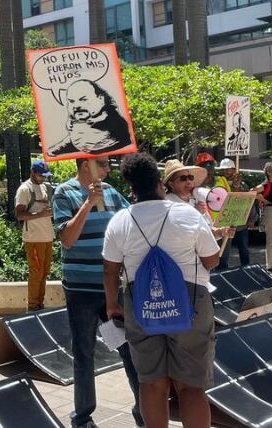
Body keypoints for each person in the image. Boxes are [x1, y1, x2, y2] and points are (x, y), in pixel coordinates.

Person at [104, 153, 220, 428]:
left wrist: (113, 305)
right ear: (160, 183)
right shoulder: (187, 214)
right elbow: (211, 260)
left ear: (131, 189)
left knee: (151, 383)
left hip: (141, 306)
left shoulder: (120, 221)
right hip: (191, 303)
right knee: (191, 386)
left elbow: (110, 269)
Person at [52, 157, 143, 427]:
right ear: (85, 166)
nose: (108, 169)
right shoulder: (63, 192)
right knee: (84, 352)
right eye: (103, 164)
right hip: (80, 289)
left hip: (111, 287)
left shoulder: (112, 192)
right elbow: (67, 239)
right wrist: (88, 203)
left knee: (129, 349)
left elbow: (134, 223)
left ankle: (144, 410)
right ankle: (82, 417)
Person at [47, 80, 132, 156]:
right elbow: (70, 139)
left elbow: (116, 123)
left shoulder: (111, 114)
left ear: (101, 99)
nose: (76, 106)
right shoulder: (75, 119)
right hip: (84, 151)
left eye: (83, 99)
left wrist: (99, 120)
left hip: (112, 148)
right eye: (71, 101)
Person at [15, 160, 56, 311]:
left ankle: (40, 304)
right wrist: (40, 214)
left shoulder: (45, 187)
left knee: (44, 273)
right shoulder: (24, 189)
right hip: (33, 239)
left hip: (47, 237)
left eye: (46, 175)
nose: (44, 178)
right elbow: (19, 215)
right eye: (41, 175)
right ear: (33, 172)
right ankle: (32, 307)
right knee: (36, 274)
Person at [162, 159, 234, 243]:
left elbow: (207, 230)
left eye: (190, 177)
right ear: (171, 184)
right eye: (183, 178)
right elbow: (178, 233)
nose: (188, 182)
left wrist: (221, 232)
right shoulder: (167, 203)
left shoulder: (196, 199)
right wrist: (195, 213)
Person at [215, 158, 251, 270]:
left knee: (244, 248)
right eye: (223, 170)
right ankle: (222, 270)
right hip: (226, 222)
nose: (226, 172)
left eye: (228, 170)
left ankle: (246, 269)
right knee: (224, 251)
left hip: (240, 222)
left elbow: (248, 201)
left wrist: (251, 218)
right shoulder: (218, 184)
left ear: (234, 169)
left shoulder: (243, 185)